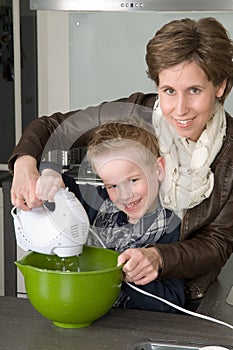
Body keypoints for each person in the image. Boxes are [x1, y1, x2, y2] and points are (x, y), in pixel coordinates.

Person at [8, 17, 233, 306]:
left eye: (194, 91)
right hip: (121, 298)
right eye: (168, 91)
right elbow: (53, 126)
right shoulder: (135, 113)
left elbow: (218, 242)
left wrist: (159, 258)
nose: (179, 110)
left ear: (220, 86)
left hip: (189, 302)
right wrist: (26, 165)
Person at [37, 119, 184, 312]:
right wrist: (49, 173)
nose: (124, 195)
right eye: (113, 185)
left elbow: (174, 303)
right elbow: (57, 184)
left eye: (133, 180)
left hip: (133, 328)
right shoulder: (97, 203)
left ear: (158, 170)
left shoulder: (171, 227)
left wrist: (125, 276)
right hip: (88, 315)